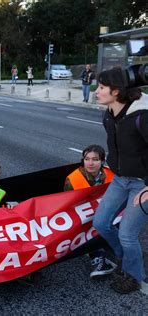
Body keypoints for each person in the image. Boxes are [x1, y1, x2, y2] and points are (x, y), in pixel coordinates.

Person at [92, 67, 148, 294]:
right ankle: (127, 257)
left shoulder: (141, 117)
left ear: (116, 91)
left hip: (142, 183)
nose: (97, 91)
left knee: (127, 233)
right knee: (101, 223)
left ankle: (133, 276)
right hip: (121, 179)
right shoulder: (109, 114)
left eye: (102, 87)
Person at [64, 144, 117, 279]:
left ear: (102, 161)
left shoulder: (112, 176)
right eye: (87, 159)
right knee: (91, 230)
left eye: (95, 159)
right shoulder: (73, 179)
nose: (90, 163)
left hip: (109, 214)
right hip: (83, 217)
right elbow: (66, 205)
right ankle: (98, 258)